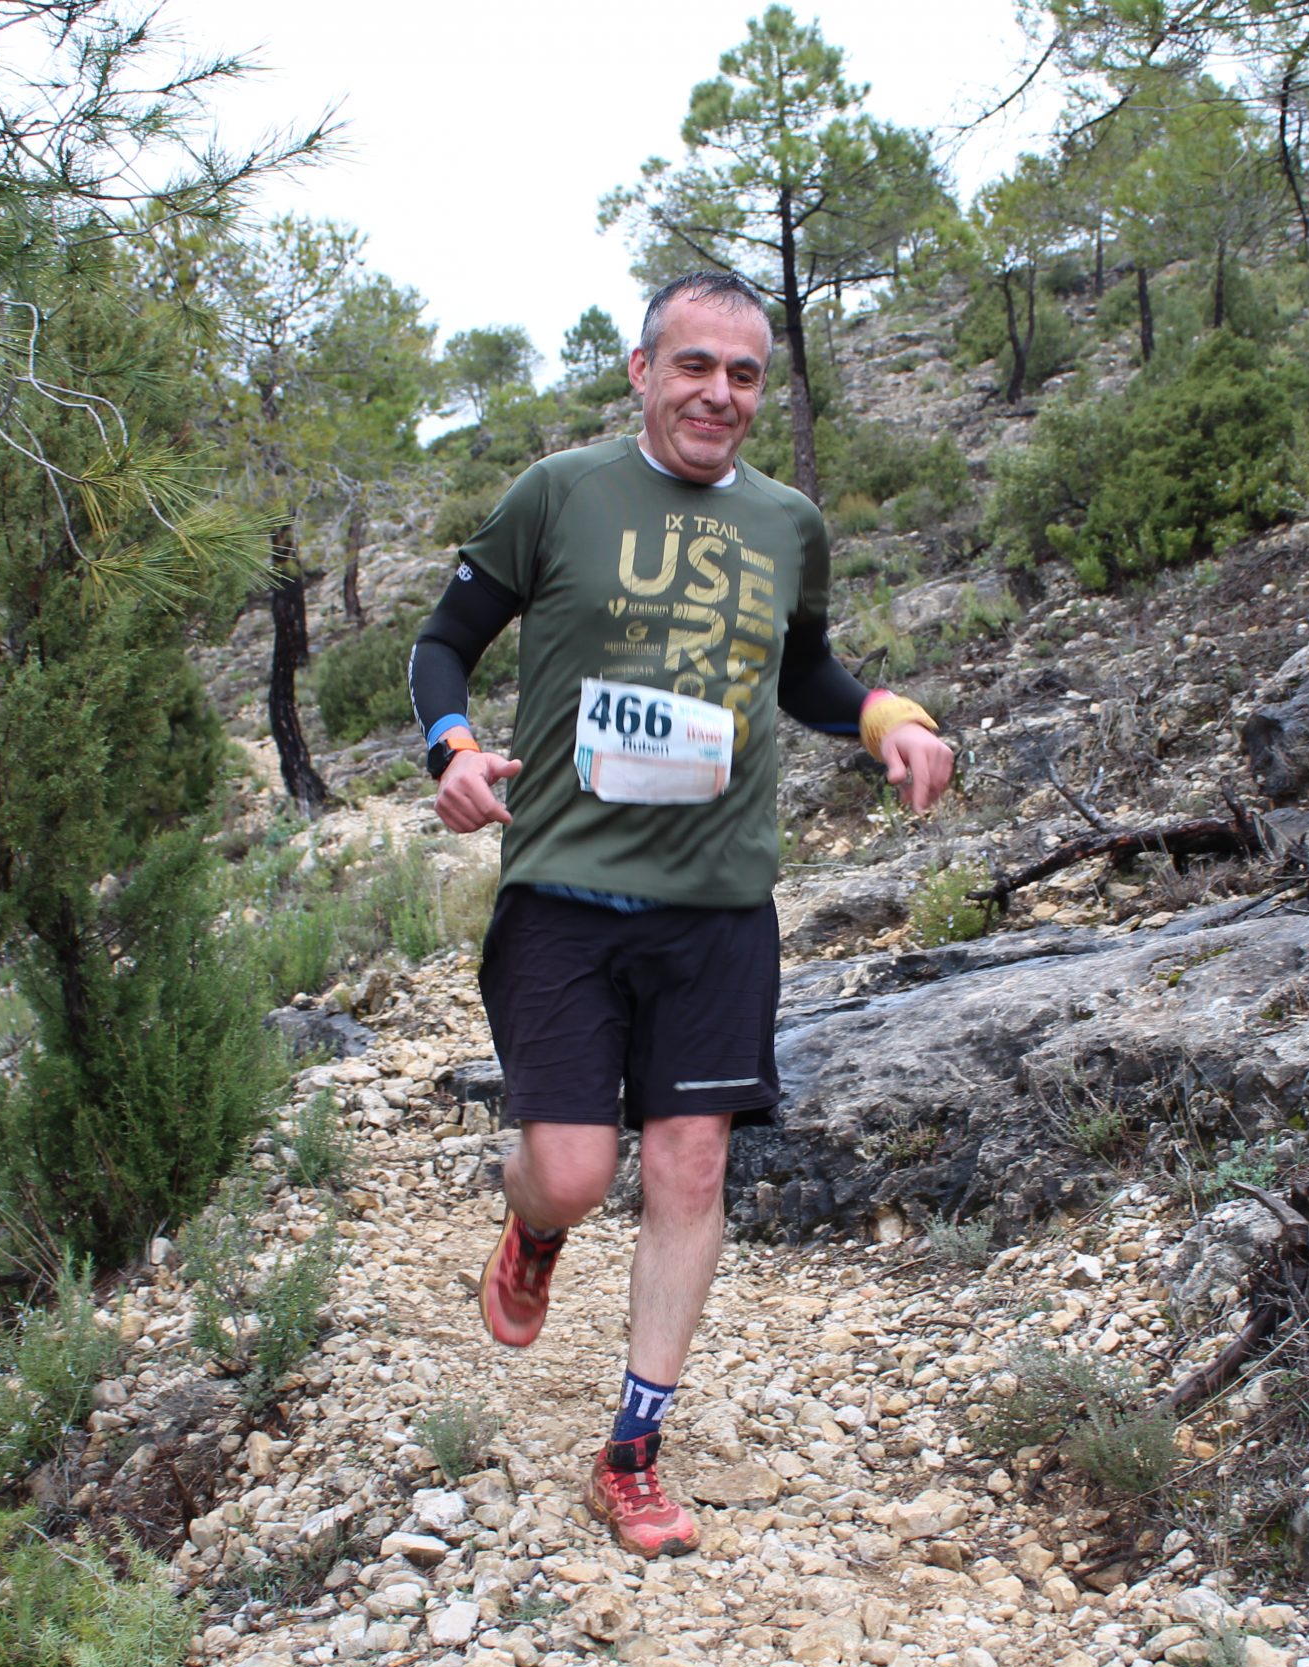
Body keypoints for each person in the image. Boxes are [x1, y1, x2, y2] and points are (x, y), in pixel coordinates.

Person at [407, 269, 955, 1558]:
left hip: (717, 902)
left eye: (744, 374)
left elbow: (803, 669)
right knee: (575, 1171)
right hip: (564, 889)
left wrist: (886, 715)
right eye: (694, 366)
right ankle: (536, 1222)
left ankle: (633, 1451)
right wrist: (453, 750)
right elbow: (443, 642)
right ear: (643, 371)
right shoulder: (560, 494)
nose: (719, 393)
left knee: (690, 1166)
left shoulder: (787, 522)